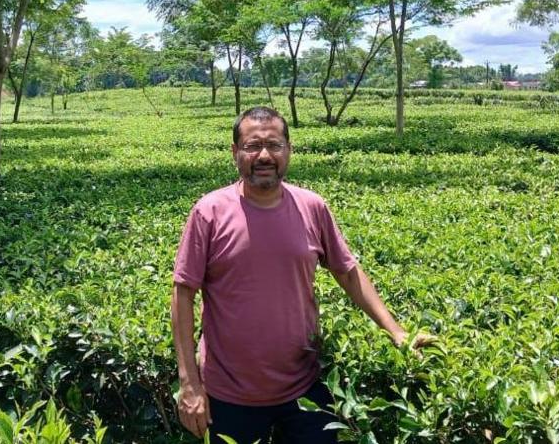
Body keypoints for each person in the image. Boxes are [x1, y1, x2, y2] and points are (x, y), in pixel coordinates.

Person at [171, 106, 433, 443]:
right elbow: (183, 293)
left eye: (275, 145)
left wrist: (397, 332)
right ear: (235, 152)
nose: (264, 155)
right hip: (229, 394)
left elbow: (348, 271)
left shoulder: (312, 206)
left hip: (305, 389)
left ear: (288, 150)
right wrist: (189, 383)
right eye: (252, 146)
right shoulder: (209, 212)